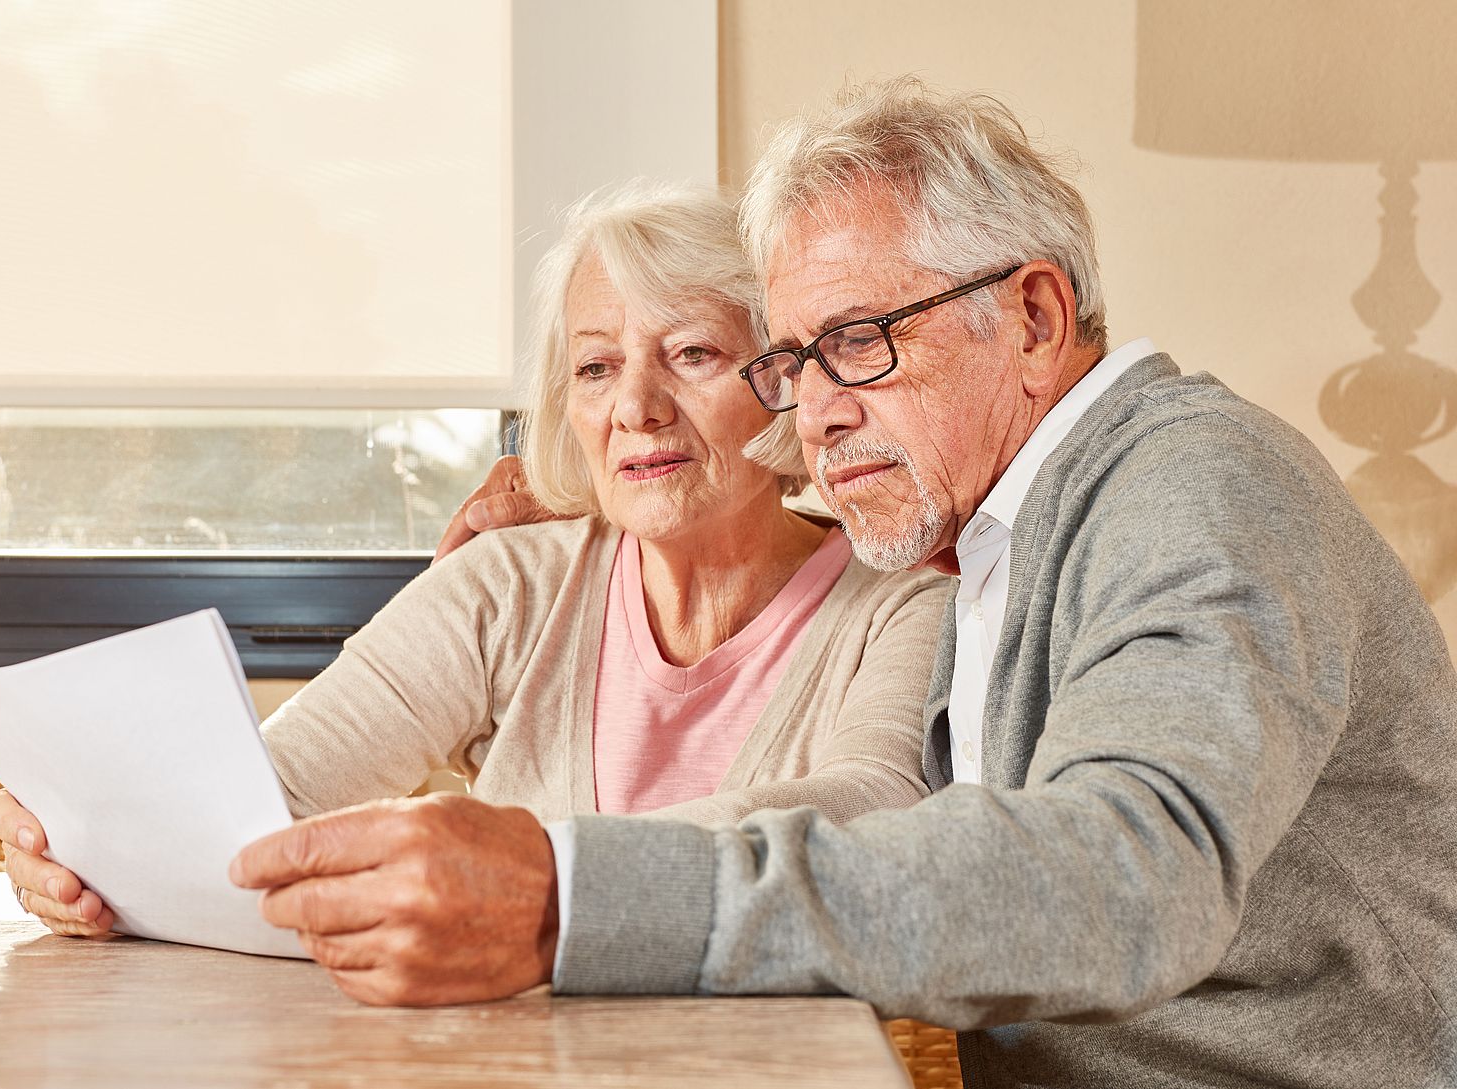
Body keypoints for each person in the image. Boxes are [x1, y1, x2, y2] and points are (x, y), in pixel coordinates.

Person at [221, 78, 1457, 1083]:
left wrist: (573, 894)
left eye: (861, 343)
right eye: (794, 363)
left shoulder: (1197, 487)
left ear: (1032, 319)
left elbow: (1130, 880)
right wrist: (619, 477)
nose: (815, 413)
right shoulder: (987, 536)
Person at [0, 183, 951, 958]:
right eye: (596, 367)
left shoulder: (900, 601)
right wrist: (80, 838)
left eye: (691, 353)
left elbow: (872, 808)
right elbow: (263, 807)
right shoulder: (507, 584)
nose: (636, 407)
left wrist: (532, 867)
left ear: (780, 380)